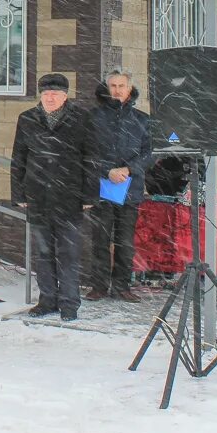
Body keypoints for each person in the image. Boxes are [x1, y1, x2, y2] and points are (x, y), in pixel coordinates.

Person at [9, 73, 91, 321]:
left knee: (68, 253)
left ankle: (69, 304)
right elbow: (18, 159)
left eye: (55, 94)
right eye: (45, 94)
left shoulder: (82, 119)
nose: (50, 98)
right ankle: (47, 301)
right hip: (38, 195)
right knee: (43, 253)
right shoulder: (27, 119)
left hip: (70, 196)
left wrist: (89, 194)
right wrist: (19, 192)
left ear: (65, 96)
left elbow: (92, 158)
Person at [85, 70, 152, 303]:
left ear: (130, 88)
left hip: (130, 189)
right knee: (100, 240)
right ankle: (99, 286)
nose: (117, 90)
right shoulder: (93, 117)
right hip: (102, 187)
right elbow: (85, 152)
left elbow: (150, 153)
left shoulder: (142, 120)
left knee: (125, 241)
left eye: (121, 85)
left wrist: (129, 169)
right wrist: (107, 171)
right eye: (112, 85)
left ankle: (122, 286)